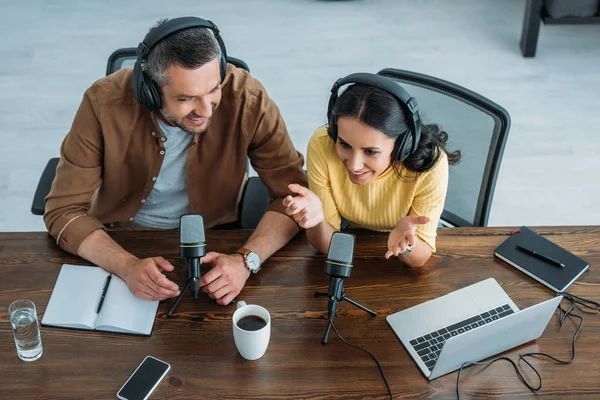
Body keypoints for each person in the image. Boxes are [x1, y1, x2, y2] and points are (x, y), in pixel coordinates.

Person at [44, 17, 307, 304]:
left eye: (213, 90)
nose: (206, 110)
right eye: (186, 99)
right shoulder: (102, 103)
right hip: (122, 237)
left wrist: (245, 261)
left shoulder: (248, 97)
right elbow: (64, 211)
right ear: (152, 91)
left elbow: (293, 198)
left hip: (215, 237)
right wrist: (126, 266)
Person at [283, 73, 460, 268]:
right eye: (344, 145)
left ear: (402, 145)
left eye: (370, 151)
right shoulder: (322, 145)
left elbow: (419, 259)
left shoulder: (431, 164)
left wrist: (406, 245)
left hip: (403, 242)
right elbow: (328, 245)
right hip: (349, 229)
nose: (354, 165)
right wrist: (317, 221)